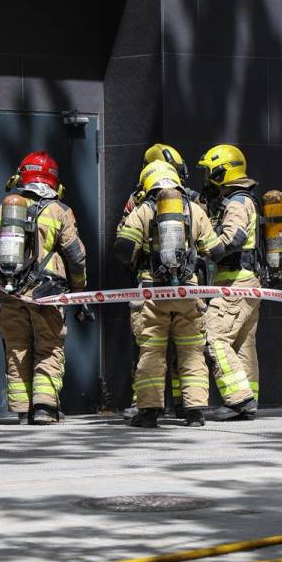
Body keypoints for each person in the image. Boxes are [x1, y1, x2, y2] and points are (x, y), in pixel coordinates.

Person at [0, 152, 87, 424]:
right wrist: (79, 291)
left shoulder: (6, 208)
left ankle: (22, 411)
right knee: (48, 348)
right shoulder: (59, 211)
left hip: (9, 293)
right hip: (47, 294)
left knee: (17, 348)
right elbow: (76, 257)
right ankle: (45, 408)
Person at [114, 161, 218, 428]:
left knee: (152, 352)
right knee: (192, 351)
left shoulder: (143, 210)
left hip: (152, 293)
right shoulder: (194, 210)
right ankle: (194, 413)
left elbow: (124, 249)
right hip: (188, 292)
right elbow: (214, 250)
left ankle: (149, 413)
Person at [118, 145, 192, 417]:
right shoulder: (191, 201)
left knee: (149, 348)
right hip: (187, 284)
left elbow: (124, 240)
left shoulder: (138, 201)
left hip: (149, 282)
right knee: (187, 348)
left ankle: (146, 406)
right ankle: (187, 406)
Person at [197, 144, 263, 421]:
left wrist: (205, 249)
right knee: (244, 345)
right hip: (248, 283)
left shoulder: (236, 203)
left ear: (221, 173)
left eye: (209, 172)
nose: (206, 178)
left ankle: (239, 400)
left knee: (214, 338)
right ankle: (249, 400)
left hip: (234, 285)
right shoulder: (246, 200)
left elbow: (233, 239)